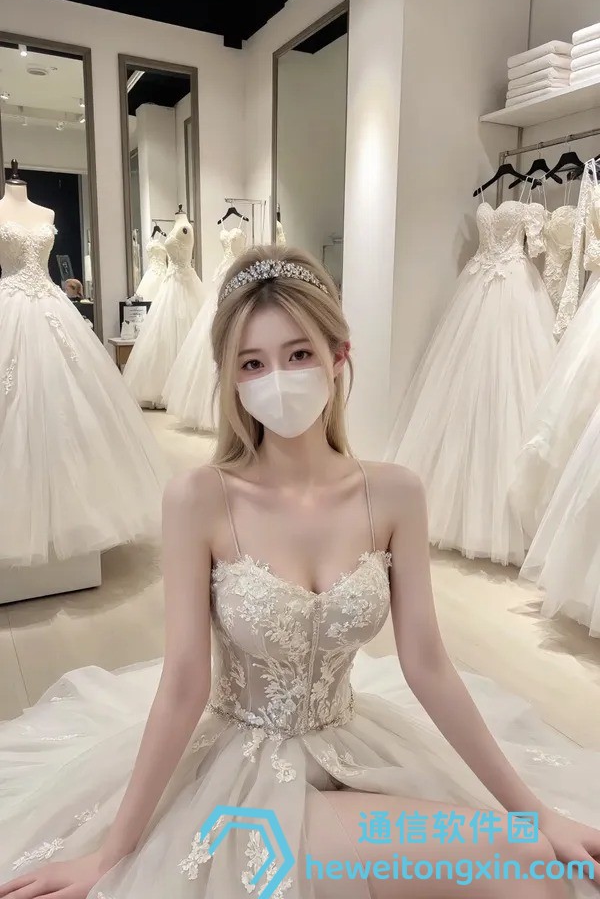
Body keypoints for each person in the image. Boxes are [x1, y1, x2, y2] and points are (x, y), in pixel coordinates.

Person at [1, 245, 599, 899]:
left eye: (298, 354)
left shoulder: (394, 493)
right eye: (252, 364)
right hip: (243, 782)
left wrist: (532, 809)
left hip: (357, 748)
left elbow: (428, 666)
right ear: (230, 378)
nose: (277, 380)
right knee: (518, 867)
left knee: (534, 857)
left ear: (339, 355)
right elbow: (183, 684)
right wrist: (111, 854)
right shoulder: (200, 499)